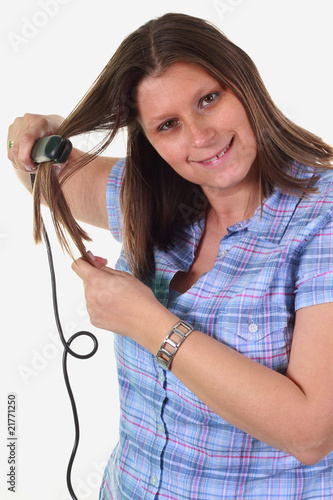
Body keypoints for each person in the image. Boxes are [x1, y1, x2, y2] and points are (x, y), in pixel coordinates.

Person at [7, 12, 333, 500]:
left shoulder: (321, 219)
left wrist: (148, 323)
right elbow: (45, 179)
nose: (200, 136)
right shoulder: (148, 198)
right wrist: (38, 140)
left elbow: (311, 433)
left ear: (243, 83)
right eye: (168, 125)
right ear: (149, 141)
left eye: (209, 99)